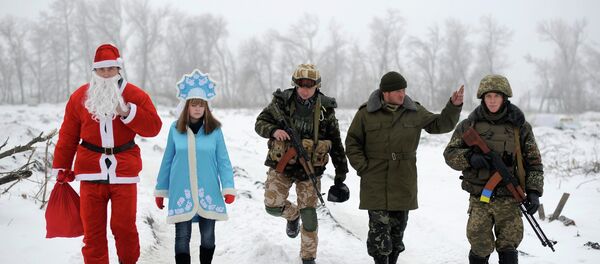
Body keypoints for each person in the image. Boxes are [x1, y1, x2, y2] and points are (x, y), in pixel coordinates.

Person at [51, 43, 162, 264]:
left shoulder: (134, 94)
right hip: (90, 172)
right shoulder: (79, 97)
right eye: (101, 70)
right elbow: (68, 134)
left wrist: (128, 112)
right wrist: (62, 166)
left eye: (110, 69)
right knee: (93, 232)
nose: (106, 74)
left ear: (118, 69)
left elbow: (153, 127)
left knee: (124, 228)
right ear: (94, 71)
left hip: (124, 171)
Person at [345, 71, 464, 264]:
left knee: (396, 234)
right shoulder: (365, 114)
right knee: (379, 235)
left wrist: (454, 106)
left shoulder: (414, 111)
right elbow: (352, 143)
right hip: (375, 180)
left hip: (403, 180)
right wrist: (363, 168)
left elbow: (440, 124)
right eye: (398, 91)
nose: (402, 94)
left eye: (403, 90)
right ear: (385, 92)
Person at [443, 74, 544, 264]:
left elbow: (534, 162)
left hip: (510, 198)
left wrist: (533, 191)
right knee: (480, 246)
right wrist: (470, 158)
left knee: (509, 246)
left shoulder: (519, 127)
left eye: (496, 96)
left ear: (504, 97)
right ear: (482, 98)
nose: (492, 101)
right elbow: (449, 154)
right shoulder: (468, 125)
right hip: (480, 197)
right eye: (488, 96)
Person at [254, 64, 349, 264]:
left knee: (310, 215)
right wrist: (273, 131)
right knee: (272, 206)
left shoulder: (325, 109)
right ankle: (292, 215)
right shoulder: (281, 103)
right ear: (295, 85)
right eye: (301, 85)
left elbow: (337, 144)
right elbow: (259, 123)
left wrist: (341, 175)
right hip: (282, 165)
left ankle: (308, 258)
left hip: (310, 170)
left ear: (317, 86)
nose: (305, 90)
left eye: (310, 85)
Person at [154, 70, 236, 264]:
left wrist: (228, 186)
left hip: (208, 190)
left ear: (206, 107)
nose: (197, 108)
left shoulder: (215, 130)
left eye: (201, 104)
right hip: (181, 190)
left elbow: (223, 160)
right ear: (186, 106)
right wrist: (160, 190)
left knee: (208, 237)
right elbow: (167, 159)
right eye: (193, 104)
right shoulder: (175, 129)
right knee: (182, 237)